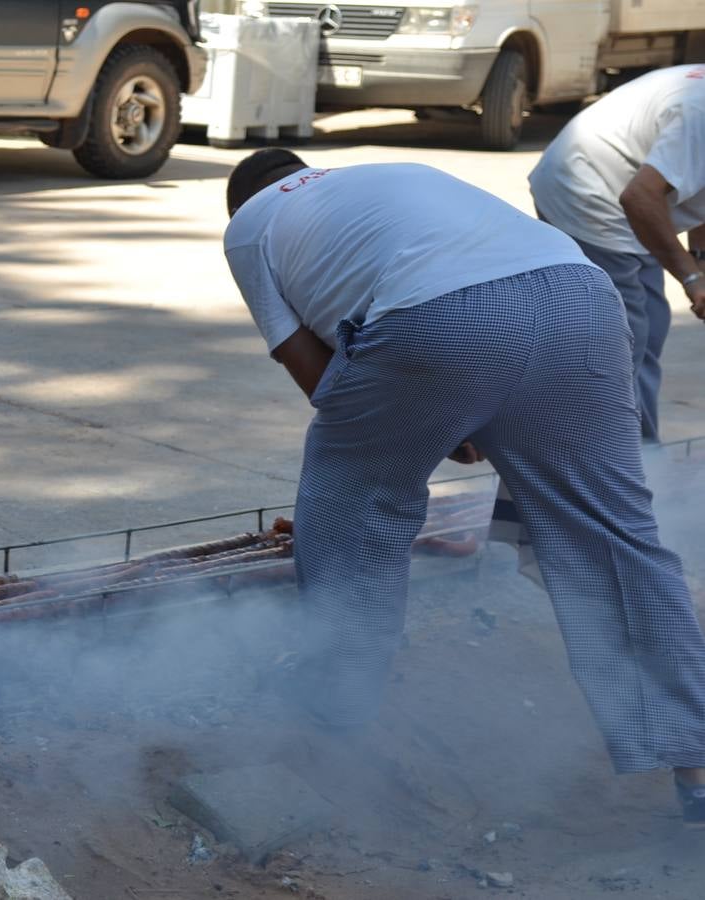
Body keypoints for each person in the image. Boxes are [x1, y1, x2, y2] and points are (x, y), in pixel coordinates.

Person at [223, 149, 705, 826]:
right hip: (581, 297)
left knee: (352, 508)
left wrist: (436, 411)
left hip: (437, 319)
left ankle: (331, 718)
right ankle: (695, 761)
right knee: (612, 537)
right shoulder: (394, 173)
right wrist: (461, 407)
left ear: (241, 202)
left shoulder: (249, 225)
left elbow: (318, 377)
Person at [530, 65, 705, 443]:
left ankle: (635, 453)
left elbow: (700, 194)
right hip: (587, 190)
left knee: (650, 327)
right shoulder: (701, 117)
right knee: (621, 344)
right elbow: (638, 197)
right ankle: (621, 462)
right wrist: (691, 279)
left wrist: (701, 267)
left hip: (623, 191)